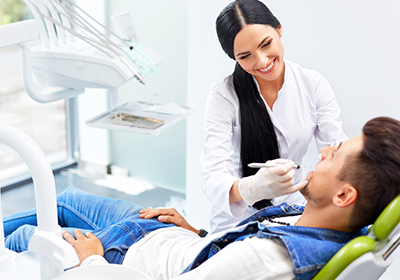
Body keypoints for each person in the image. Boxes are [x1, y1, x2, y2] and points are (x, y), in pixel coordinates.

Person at [5, 116, 400, 279]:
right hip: (172, 236)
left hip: (125, 256)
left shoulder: (270, 261)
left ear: (346, 194)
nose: (325, 152)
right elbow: (234, 251)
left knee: (26, 240)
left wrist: (90, 260)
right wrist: (196, 232)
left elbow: (246, 261)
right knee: (65, 200)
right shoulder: (332, 226)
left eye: (335, 154)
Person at [201, 0, 348, 233]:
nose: (261, 61)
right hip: (238, 220)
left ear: (279, 29)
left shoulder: (313, 85)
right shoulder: (224, 96)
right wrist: (252, 188)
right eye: (245, 56)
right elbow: (212, 178)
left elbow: (338, 152)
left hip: (295, 210)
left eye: (266, 44)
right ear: (235, 58)